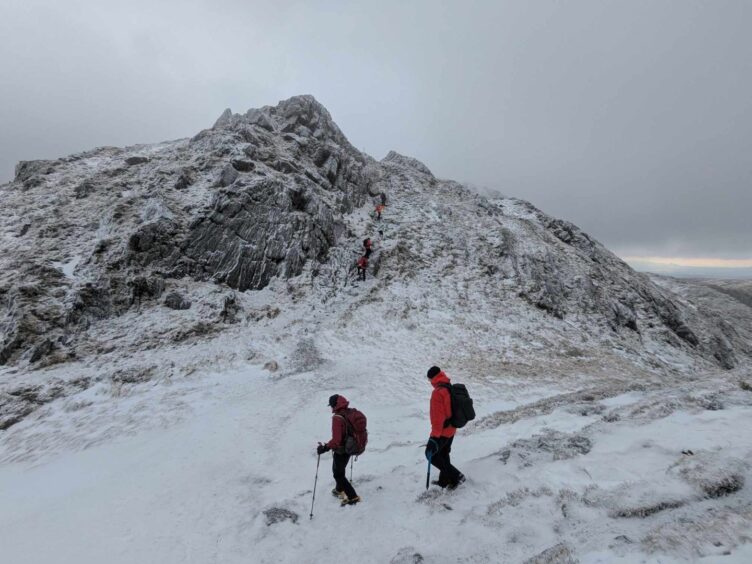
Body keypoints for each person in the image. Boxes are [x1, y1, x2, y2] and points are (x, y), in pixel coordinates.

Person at [424, 366, 465, 489]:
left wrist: (434, 437)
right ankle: (445, 481)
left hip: (442, 431)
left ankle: (457, 476)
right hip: (452, 428)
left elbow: (438, 418)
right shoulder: (448, 385)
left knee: (431, 455)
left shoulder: (437, 393)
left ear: (432, 378)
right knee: (444, 454)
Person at [317, 394, 361, 506]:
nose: (331, 408)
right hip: (350, 447)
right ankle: (338, 489)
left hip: (341, 450)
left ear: (334, 405)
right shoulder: (350, 412)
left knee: (338, 474)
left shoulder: (337, 418)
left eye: (331, 405)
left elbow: (336, 440)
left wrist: (325, 448)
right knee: (340, 470)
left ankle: (353, 497)